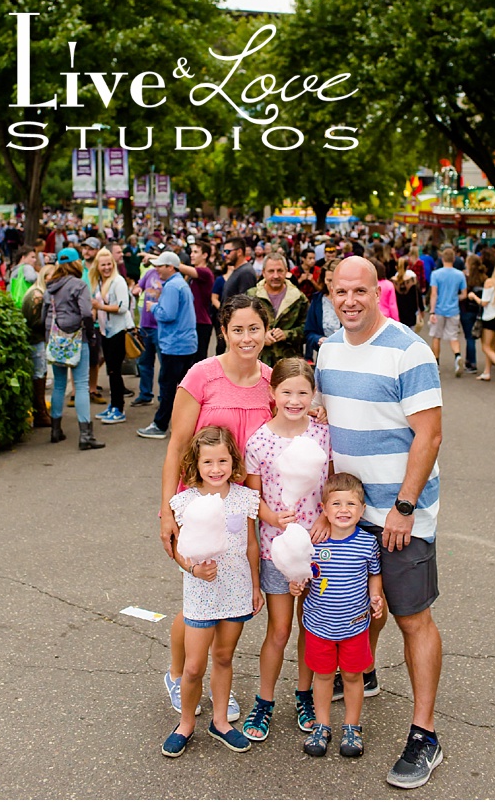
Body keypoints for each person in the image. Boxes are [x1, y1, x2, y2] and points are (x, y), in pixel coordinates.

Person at [316, 257, 445, 790]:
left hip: (400, 511)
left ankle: (425, 735)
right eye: (340, 291)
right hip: (347, 512)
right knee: (359, 602)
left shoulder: (409, 350)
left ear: (378, 292)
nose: (350, 300)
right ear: (329, 292)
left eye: (360, 291)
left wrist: (405, 508)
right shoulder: (326, 348)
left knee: (411, 614)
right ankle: (362, 669)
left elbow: (429, 435)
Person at [156, 294, 275, 727]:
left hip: (243, 504)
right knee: (197, 596)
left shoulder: (270, 382)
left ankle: (218, 691)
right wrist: (169, 511)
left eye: (254, 328)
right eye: (237, 329)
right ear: (223, 331)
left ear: (267, 331)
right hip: (199, 503)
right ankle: (178, 673)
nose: (246, 337)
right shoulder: (201, 376)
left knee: (229, 593)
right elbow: (176, 447)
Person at [240, 358, 332, 744]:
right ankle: (264, 700)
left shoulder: (322, 434)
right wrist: (272, 518)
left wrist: (327, 516)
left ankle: (305, 694)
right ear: (272, 393)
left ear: (313, 395)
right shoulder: (260, 440)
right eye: (287, 392)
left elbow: (330, 483)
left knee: (312, 628)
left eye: (302, 392)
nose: (294, 400)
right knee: (279, 630)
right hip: (277, 549)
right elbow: (251, 496)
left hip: (318, 547)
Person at [160, 425, 261, 758]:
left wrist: (255, 586)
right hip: (201, 594)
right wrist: (192, 569)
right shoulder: (186, 501)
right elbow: (177, 548)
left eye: (223, 461)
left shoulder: (244, 497)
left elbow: (251, 545)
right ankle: (185, 724)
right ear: (196, 465)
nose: (216, 469)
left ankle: (220, 722)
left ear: (233, 461)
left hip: (236, 589)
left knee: (224, 657)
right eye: (208, 462)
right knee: (192, 666)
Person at [290, 473, 386, 758]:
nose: (344, 510)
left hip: (355, 626)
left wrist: (376, 597)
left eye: (351, 504)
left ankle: (352, 727)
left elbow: (374, 576)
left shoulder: (367, 543)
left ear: (363, 509)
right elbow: (302, 577)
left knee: (353, 677)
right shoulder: (314, 543)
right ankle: (322, 726)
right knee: (322, 677)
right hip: (318, 626)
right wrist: (296, 584)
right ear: (324, 509)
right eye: (337, 503)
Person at [41, 248, 103, 449]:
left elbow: (44, 315)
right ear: (76, 263)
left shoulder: (50, 286)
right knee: (82, 384)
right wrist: (91, 335)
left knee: (59, 384)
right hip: (78, 339)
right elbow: (86, 312)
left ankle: (55, 430)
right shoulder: (79, 285)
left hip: (55, 339)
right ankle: (86, 435)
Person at [135, 251, 198, 440]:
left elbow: (167, 314)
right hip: (186, 343)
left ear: (171, 267)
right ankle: (188, 425)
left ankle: (160, 424)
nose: (156, 269)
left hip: (175, 344)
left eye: (160, 266)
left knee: (168, 387)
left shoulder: (172, 286)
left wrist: (153, 307)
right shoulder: (181, 284)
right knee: (186, 388)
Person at [90, 246, 131, 425]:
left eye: (109, 264)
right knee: (111, 371)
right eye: (103, 265)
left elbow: (123, 307)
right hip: (105, 331)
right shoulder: (99, 282)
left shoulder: (118, 282)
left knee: (115, 371)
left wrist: (100, 307)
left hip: (118, 331)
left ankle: (119, 408)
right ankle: (113, 405)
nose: (106, 267)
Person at [247, 251, 308, 367]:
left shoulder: (298, 298)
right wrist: (261, 336)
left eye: (280, 271)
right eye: (271, 271)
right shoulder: (251, 297)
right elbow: (241, 327)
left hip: (289, 365)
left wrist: (287, 334)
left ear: (286, 271)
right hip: (257, 363)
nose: (275, 276)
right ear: (263, 272)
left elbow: (307, 329)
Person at [20, 264, 55, 429]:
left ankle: (41, 411)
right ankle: (40, 412)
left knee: (40, 373)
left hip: (37, 340)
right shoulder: (38, 295)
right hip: (35, 340)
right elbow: (35, 323)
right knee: (38, 373)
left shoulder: (40, 293)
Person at [469, 255, 495, 381]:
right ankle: (486, 372)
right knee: (493, 346)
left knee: (485, 347)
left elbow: (484, 302)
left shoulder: (490, 282)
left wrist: (473, 297)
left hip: (490, 317)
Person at [426, 246, 466, 377]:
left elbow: (434, 294)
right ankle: (457, 356)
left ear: (442, 259)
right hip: (453, 309)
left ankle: (436, 364)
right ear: (454, 259)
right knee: (453, 337)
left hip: (438, 309)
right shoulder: (460, 275)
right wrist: (456, 298)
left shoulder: (436, 274)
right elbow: (464, 294)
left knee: (436, 337)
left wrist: (432, 311)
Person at [129, 252, 163, 406]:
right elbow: (139, 285)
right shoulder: (149, 273)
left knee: (164, 364)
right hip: (146, 324)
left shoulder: (169, 277)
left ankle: (165, 397)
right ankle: (145, 394)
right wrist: (135, 290)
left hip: (161, 326)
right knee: (144, 362)